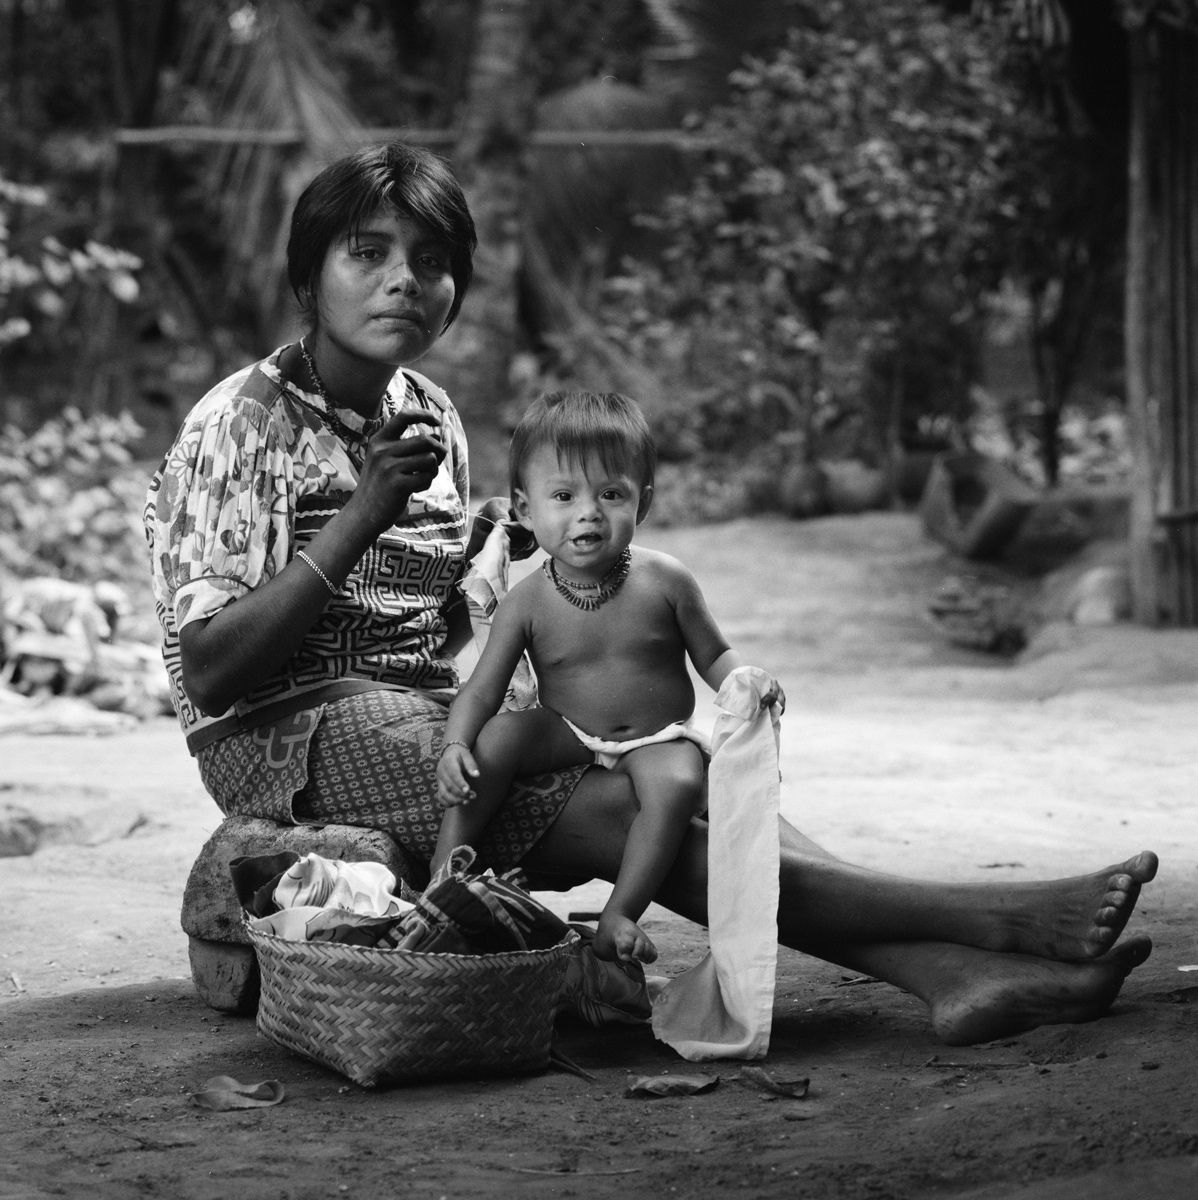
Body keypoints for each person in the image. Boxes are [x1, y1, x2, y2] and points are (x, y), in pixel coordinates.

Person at [145, 140, 1159, 1048]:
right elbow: (214, 668)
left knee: (682, 768)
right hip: (281, 738)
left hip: (413, 713)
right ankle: (989, 919)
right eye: (366, 254)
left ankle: (954, 979)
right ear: (306, 277)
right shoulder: (244, 423)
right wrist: (365, 512)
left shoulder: (429, 413)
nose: (403, 281)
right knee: (621, 807)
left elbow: (442, 624)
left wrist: (517, 602)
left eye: (431, 261)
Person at [433, 390, 784, 963]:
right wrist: (454, 746)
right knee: (496, 739)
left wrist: (746, 680)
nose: (588, 512)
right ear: (524, 509)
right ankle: (447, 869)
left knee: (676, 787)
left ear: (642, 503)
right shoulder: (526, 601)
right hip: (569, 730)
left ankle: (621, 911)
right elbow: (482, 688)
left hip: (657, 737)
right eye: (564, 495)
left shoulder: (665, 580)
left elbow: (714, 655)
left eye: (611, 494)